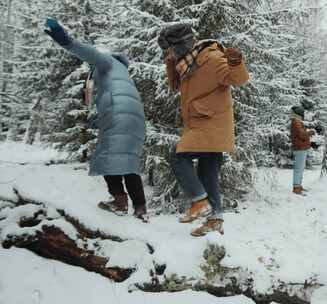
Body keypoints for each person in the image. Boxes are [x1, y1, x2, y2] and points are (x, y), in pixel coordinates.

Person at [44, 18, 148, 222]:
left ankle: (119, 201)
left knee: (107, 158)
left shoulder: (106, 61)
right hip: (134, 120)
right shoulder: (123, 72)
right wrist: (99, 120)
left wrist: (66, 42)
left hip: (119, 116)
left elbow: (90, 54)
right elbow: (114, 99)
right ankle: (140, 209)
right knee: (127, 162)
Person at [158, 24, 249, 237]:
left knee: (177, 156)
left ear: (181, 45)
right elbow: (174, 86)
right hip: (201, 124)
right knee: (207, 174)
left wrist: (235, 61)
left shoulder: (212, 59)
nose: (169, 53)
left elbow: (240, 79)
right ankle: (215, 219)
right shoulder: (187, 64)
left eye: (170, 49)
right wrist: (171, 61)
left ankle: (199, 202)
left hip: (211, 124)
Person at [290, 105, 315, 195]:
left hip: (301, 147)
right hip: (299, 147)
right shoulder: (296, 122)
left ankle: (299, 185)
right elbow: (302, 134)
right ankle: (296, 187)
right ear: (299, 113)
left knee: (300, 167)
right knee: (299, 168)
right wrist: (310, 132)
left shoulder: (297, 121)